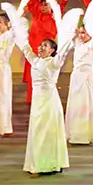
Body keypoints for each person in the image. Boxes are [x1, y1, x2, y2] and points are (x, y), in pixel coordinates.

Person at [15, 35, 73, 175]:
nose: (40, 47)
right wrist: (15, 29)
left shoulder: (53, 62)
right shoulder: (35, 61)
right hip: (37, 102)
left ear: (52, 50)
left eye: (45, 46)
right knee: (37, 131)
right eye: (40, 45)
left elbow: (63, 52)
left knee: (47, 132)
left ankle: (49, 165)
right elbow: (25, 47)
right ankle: (40, 163)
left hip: (49, 102)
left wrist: (71, 36)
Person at [65, 25, 93, 144]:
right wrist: (75, 34)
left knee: (85, 104)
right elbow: (68, 42)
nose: (81, 35)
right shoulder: (78, 43)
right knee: (75, 105)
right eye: (80, 33)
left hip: (86, 77)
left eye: (84, 33)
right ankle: (73, 132)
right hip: (76, 76)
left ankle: (84, 134)